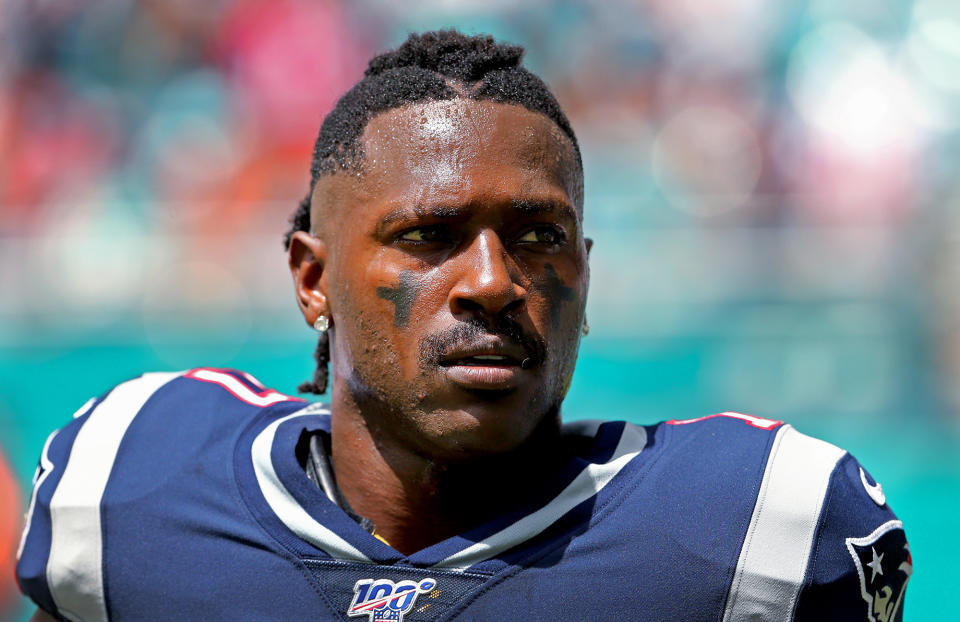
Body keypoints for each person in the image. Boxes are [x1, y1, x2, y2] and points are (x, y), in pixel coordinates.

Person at [17, 31, 910, 622]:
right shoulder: (126, 485)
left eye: (539, 238)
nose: (492, 282)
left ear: (585, 280)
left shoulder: (753, 530)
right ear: (313, 278)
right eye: (429, 237)